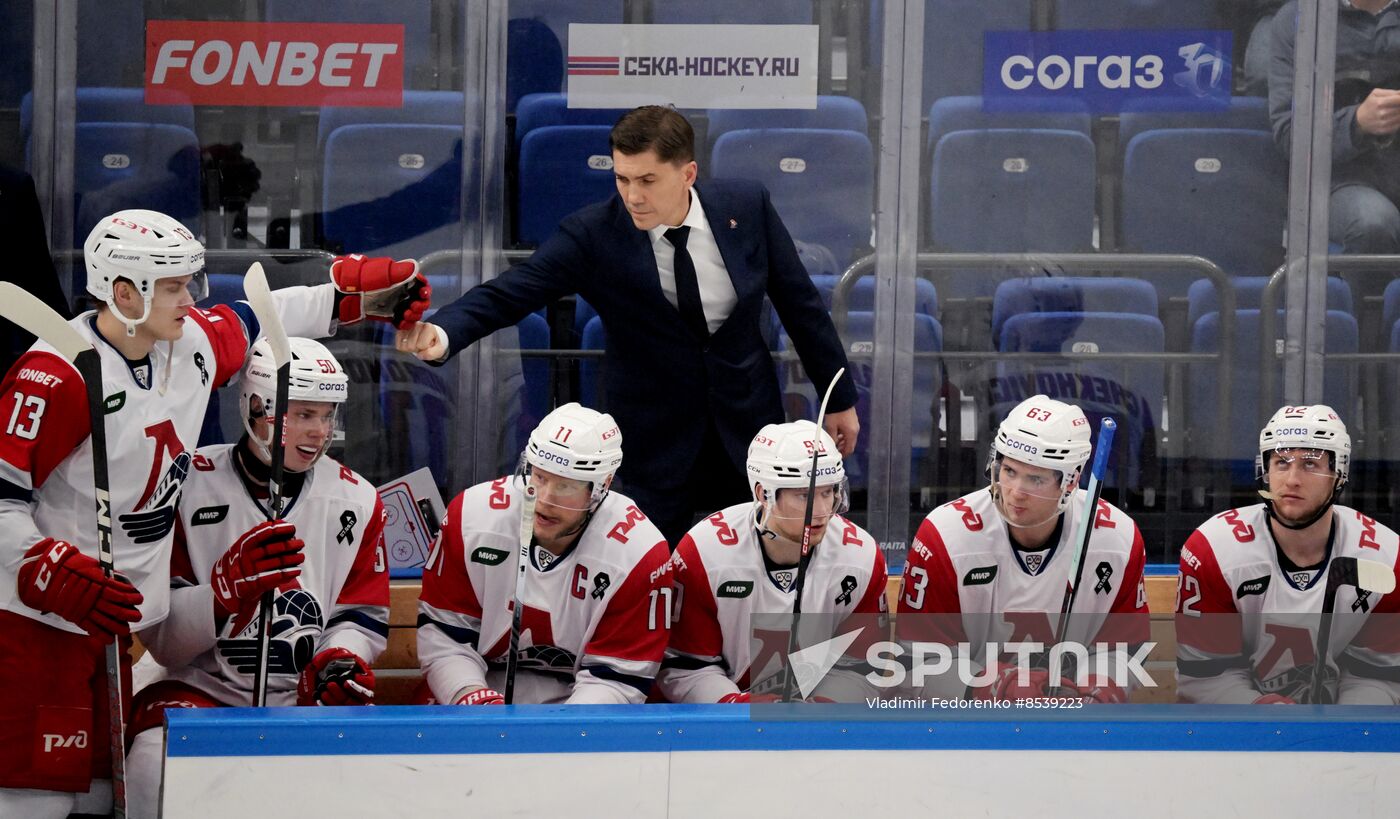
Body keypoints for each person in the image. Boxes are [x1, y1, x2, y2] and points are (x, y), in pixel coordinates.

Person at [0, 209, 426, 818]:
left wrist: (357, 296)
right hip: (36, 626)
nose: (192, 299)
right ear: (125, 294)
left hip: (110, 628)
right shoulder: (57, 375)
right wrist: (45, 565)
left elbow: (263, 315)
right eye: (175, 286)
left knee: (97, 798)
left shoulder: (189, 347)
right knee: (29, 804)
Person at [396, 106, 858, 543]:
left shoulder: (747, 207)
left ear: (688, 174)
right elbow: (513, 290)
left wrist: (838, 398)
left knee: (748, 569)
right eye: (622, 178)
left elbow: (800, 305)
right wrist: (443, 331)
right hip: (650, 436)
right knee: (652, 572)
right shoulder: (593, 234)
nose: (633, 195)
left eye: (648, 180)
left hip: (746, 423)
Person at [124, 338, 388, 818]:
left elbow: (360, 615)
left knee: (369, 772)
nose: (318, 432)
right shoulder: (187, 482)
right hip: (202, 688)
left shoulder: (359, 499)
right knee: (151, 760)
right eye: (302, 415)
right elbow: (161, 639)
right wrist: (222, 594)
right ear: (254, 406)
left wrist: (338, 660)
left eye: (327, 416)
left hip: (302, 696)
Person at [896, 395, 1149, 703]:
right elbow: (916, 664)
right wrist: (992, 685)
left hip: (1069, 729)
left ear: (1071, 482)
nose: (1016, 493)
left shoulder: (1116, 539)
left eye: (1036, 479)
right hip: (963, 727)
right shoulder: (946, 536)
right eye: (1010, 471)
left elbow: (1122, 650)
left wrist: (1099, 687)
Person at [416, 402, 672, 705]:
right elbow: (446, 638)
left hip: (576, 710)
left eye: (565, 485)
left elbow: (616, 677)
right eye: (539, 477)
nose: (544, 500)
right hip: (470, 699)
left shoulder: (638, 552)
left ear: (601, 486)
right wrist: (470, 698)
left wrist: (562, 734)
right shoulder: (473, 517)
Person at [1175, 405, 1400, 704]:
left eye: (1309, 464)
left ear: (1339, 473)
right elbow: (1205, 678)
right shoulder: (1214, 549)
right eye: (1281, 462)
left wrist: (1339, 727)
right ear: (1264, 470)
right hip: (1238, 735)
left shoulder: (1385, 555)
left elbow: (1377, 677)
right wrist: (1268, 716)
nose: (1292, 479)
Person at [657, 422, 888, 703]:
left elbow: (862, 666)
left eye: (827, 492)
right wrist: (744, 713)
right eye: (804, 495)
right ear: (762, 493)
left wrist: (820, 712)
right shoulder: (704, 552)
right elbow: (686, 666)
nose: (822, 511)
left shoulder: (860, 555)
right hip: (725, 730)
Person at [1269, 0, 1400, 253]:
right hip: (1341, 179)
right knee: (1373, 222)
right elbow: (1289, 132)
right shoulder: (1299, 20)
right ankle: (1369, 294)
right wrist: (1357, 122)